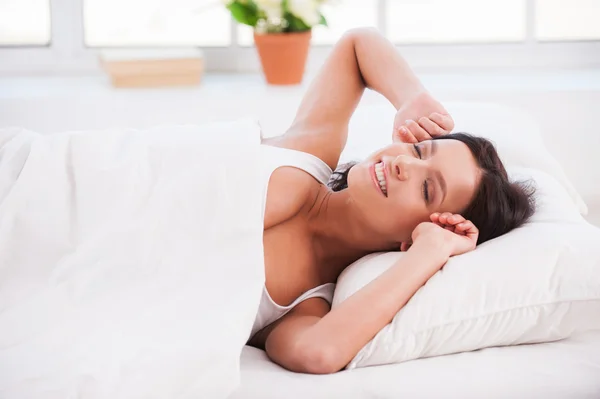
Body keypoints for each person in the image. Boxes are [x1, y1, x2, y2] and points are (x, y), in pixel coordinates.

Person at [249, 28, 535, 374]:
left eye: (428, 188)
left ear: (426, 229)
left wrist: (429, 252)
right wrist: (412, 100)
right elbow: (357, 46)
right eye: (418, 150)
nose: (404, 164)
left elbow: (317, 353)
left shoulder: (304, 305)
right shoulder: (309, 150)